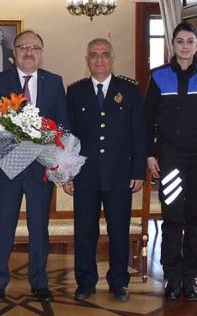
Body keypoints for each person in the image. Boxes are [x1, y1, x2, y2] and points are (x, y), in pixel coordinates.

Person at [0, 30, 69, 302]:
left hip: (40, 169)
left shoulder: (55, 83)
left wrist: (60, 163)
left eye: (35, 47)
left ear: (41, 53)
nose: (29, 52)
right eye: (23, 47)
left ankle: (39, 281)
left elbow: (62, 125)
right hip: (9, 167)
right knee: (4, 226)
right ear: (14, 53)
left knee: (39, 227)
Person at [143, 22, 197, 301]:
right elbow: (147, 118)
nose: (185, 46)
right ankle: (172, 276)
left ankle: (191, 277)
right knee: (172, 216)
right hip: (171, 156)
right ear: (173, 45)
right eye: (180, 41)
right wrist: (150, 153)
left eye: (190, 41)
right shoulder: (159, 76)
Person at [63, 38, 147, 302]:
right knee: (85, 230)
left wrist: (138, 171)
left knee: (119, 230)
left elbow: (139, 134)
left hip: (119, 173)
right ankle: (85, 282)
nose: (99, 60)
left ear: (113, 58)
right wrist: (67, 171)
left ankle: (119, 282)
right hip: (85, 174)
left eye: (104, 55)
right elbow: (68, 136)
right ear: (86, 60)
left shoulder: (129, 90)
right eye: (94, 55)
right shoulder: (75, 92)